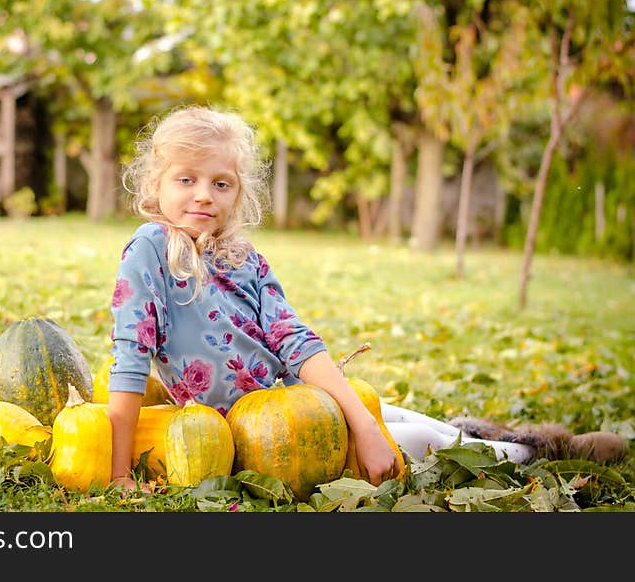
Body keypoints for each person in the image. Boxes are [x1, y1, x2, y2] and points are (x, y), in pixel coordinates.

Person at [106, 105, 626, 491]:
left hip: (303, 400)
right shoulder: (151, 251)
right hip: (254, 439)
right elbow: (130, 362)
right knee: (423, 447)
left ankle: (506, 435)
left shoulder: (244, 258)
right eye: (186, 179)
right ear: (156, 184)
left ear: (238, 192)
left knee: (401, 420)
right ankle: (535, 451)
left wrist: (359, 418)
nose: (204, 195)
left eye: (221, 183)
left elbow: (295, 342)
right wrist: (118, 472)